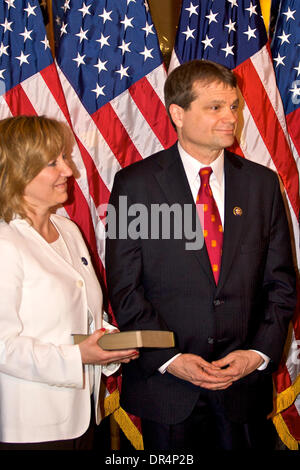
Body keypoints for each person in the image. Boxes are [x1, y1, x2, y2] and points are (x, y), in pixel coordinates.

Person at [105, 59, 297, 450]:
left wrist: (257, 354)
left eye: (233, 106)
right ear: (178, 113)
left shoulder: (262, 184)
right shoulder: (135, 185)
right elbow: (125, 288)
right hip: (165, 393)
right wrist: (171, 358)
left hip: (243, 390)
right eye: (215, 107)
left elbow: (280, 283)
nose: (230, 117)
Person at [0, 115, 139, 450]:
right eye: (53, 162)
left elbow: (84, 316)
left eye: (65, 158)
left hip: (82, 419)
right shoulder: (5, 243)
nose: (69, 171)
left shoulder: (69, 230)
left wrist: (109, 343)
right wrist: (78, 357)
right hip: (28, 430)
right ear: (18, 170)